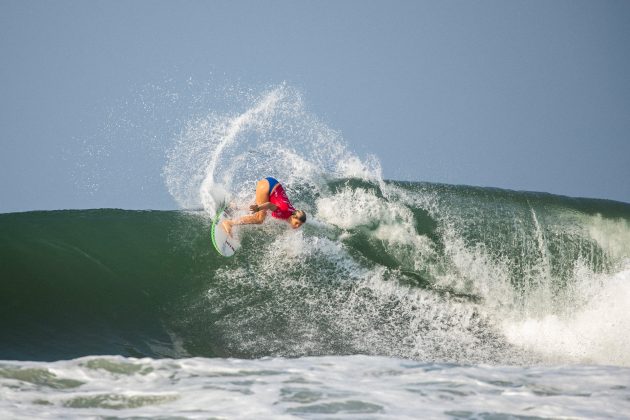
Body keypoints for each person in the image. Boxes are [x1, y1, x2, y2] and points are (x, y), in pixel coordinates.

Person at [222, 177, 306, 236]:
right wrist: (258, 208)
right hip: (267, 187)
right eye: (297, 223)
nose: (297, 226)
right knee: (259, 218)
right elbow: (269, 205)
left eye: (300, 225)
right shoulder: (284, 211)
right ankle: (229, 223)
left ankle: (234, 206)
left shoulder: (293, 212)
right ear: (292, 217)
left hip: (273, 185)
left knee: (260, 209)